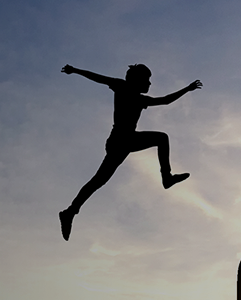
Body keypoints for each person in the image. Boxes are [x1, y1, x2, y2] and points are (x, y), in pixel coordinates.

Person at [58, 63, 202, 241]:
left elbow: (165, 100)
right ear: (137, 80)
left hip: (127, 141)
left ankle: (70, 212)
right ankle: (166, 177)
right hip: (119, 140)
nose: (149, 84)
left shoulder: (142, 100)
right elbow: (97, 77)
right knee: (99, 179)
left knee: (99, 180)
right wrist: (75, 70)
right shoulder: (121, 86)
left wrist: (187, 89)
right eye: (147, 80)